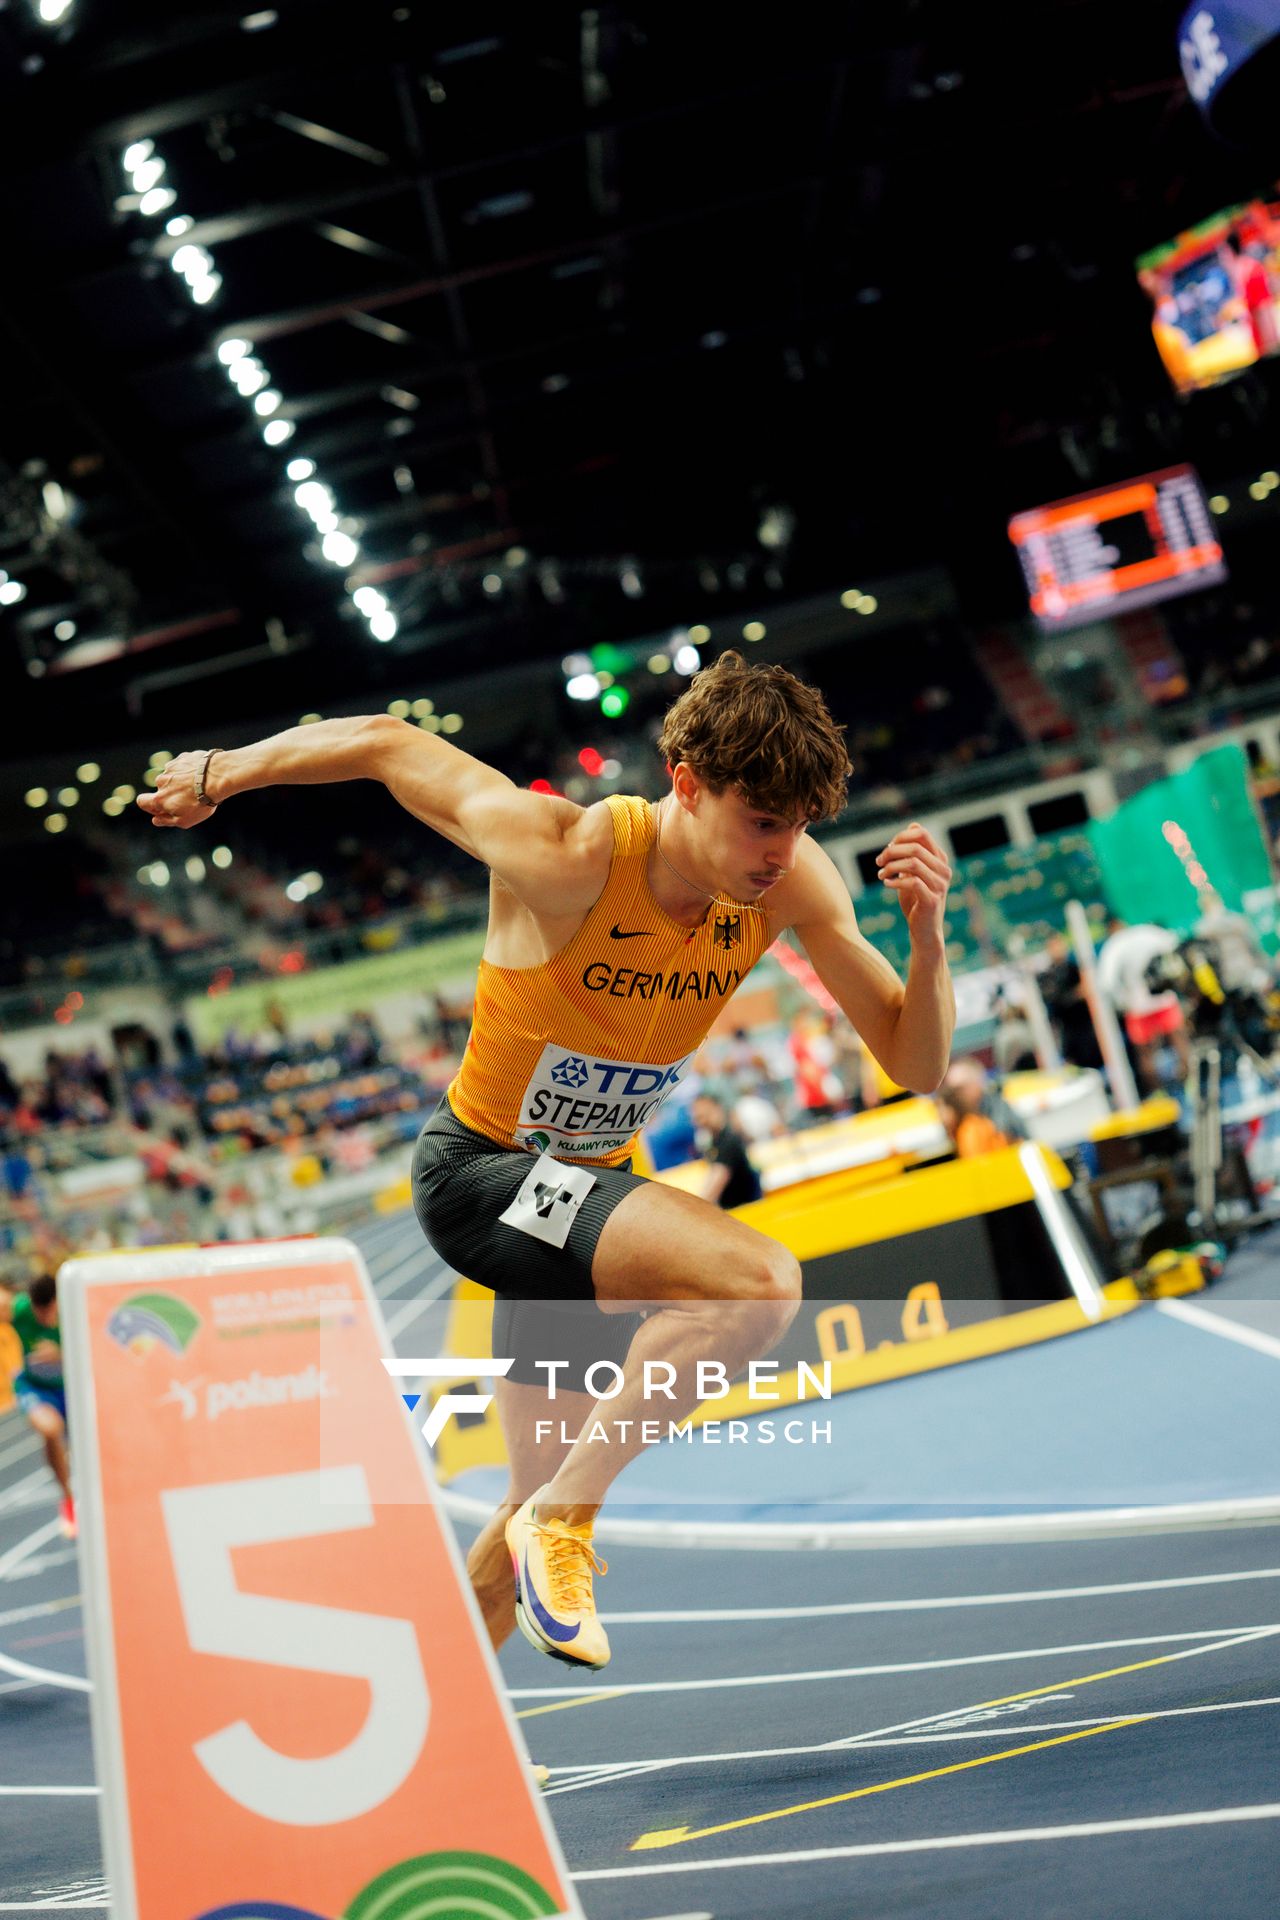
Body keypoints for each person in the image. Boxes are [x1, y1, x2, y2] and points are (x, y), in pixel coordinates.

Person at [138, 650, 955, 1668]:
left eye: (797, 826)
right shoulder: (568, 855)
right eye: (760, 822)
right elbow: (386, 744)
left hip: (582, 1202)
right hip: (480, 1177)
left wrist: (927, 940)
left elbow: (915, 1062)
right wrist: (218, 773)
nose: (780, 852)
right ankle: (565, 1524)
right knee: (755, 1285)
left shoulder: (789, 882)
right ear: (686, 784)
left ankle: (441, 1703)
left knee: (524, 1501)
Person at [0, 1273, 75, 1538]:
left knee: (87, 1445)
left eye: (50, 1312)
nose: (45, 1318)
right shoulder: (19, 1309)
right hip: (36, 1389)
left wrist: (62, 1354)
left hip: (73, 1386)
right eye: (39, 1312)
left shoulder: (75, 1308)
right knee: (50, 1429)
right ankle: (68, 1501)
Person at [1096, 917, 1190, 1093]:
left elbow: (1106, 983)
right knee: (1179, 1041)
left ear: (1110, 929)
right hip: (1164, 999)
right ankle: (1191, 1079)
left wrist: (1122, 1003)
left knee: (1146, 1055)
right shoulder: (1146, 933)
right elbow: (1175, 944)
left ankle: (1158, 1094)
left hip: (1137, 1007)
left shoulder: (1114, 945)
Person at [690, 1090, 763, 1209]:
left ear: (718, 1109)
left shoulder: (728, 1141)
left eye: (706, 1114)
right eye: (698, 1117)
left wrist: (695, 1208)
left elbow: (714, 1187)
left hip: (745, 1209)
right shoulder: (713, 1142)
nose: (703, 1121)